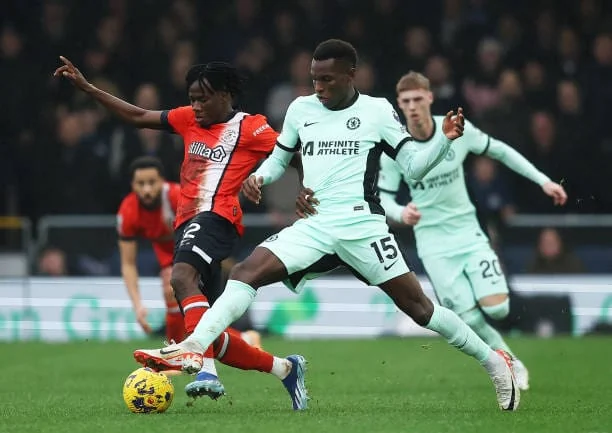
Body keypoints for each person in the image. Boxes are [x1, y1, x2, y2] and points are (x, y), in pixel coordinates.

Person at [134, 39, 520, 412]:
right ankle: (194, 347)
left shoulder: (377, 111)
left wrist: (445, 141)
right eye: (314, 78)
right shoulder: (302, 109)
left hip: (361, 227)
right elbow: (280, 157)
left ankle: (493, 362)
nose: (318, 87)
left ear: (351, 74)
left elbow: (415, 165)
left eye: (327, 79)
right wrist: (261, 179)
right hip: (315, 225)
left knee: (419, 308)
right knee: (248, 271)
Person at [54, 58, 306, 407]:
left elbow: (294, 153)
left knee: (181, 279)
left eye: (203, 98)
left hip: (216, 218)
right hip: (189, 224)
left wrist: (302, 189)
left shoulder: (252, 128)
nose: (196, 106)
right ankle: (285, 369)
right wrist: (90, 89)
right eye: (192, 98)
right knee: (212, 329)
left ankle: (194, 358)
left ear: (225, 95)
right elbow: (138, 116)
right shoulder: (188, 118)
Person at [374, 71, 567, 391]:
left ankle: (505, 352)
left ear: (430, 98)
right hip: (433, 244)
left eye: (417, 99)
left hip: (469, 234)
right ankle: (510, 360)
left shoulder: (455, 131)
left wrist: (543, 180)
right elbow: (382, 197)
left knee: (498, 307)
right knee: (469, 318)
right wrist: (400, 211)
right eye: (405, 101)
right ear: (399, 105)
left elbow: (500, 151)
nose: (412, 106)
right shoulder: (395, 147)